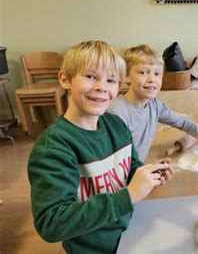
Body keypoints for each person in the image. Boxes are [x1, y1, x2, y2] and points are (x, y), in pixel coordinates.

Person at [28, 41, 173, 253]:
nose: (102, 87)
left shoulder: (115, 125)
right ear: (65, 79)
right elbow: (51, 223)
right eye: (90, 76)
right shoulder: (54, 147)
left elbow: (129, 165)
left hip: (129, 232)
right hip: (94, 248)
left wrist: (146, 175)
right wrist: (129, 195)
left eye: (111, 80)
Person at [108, 44, 198, 163]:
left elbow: (183, 122)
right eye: (143, 72)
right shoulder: (116, 115)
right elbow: (111, 162)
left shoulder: (153, 105)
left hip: (136, 171)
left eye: (157, 74)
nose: (152, 79)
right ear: (126, 76)